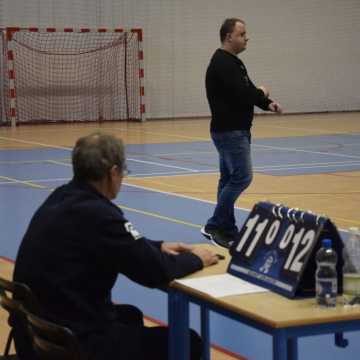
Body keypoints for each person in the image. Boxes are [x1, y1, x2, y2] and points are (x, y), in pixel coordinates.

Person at [12, 132, 219, 360]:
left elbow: (119, 245)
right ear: (112, 173)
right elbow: (154, 272)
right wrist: (197, 258)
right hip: (71, 344)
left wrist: (158, 246)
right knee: (189, 343)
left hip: (35, 332)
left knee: (130, 316)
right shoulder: (99, 214)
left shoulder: (61, 197)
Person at [201, 18, 283, 248]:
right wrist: (261, 91)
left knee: (228, 178)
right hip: (230, 132)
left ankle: (226, 228)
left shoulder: (233, 63)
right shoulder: (222, 64)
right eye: (242, 34)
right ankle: (214, 225)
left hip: (233, 130)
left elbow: (247, 90)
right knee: (242, 177)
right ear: (229, 37)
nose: (246, 38)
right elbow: (244, 94)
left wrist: (267, 103)